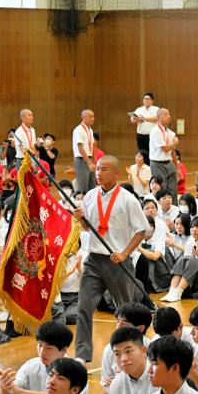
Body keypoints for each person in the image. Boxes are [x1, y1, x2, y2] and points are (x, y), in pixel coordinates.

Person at [71, 155, 149, 365]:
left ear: (116, 173)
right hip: (94, 260)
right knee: (84, 307)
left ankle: (132, 350)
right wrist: (81, 220)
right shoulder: (89, 196)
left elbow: (142, 231)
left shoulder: (128, 199)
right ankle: (82, 353)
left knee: (126, 310)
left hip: (118, 261)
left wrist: (125, 253)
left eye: (104, 169)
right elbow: (89, 228)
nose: (98, 173)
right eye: (97, 169)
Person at [0, 321, 87, 394]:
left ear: (63, 350)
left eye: (48, 348)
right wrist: (3, 388)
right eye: (40, 345)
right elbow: (12, 391)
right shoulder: (30, 366)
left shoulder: (76, 371)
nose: (42, 352)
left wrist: (19, 391)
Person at [160, 216, 198, 302]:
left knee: (193, 261)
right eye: (192, 227)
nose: (194, 229)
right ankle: (172, 291)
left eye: (197, 227)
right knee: (182, 259)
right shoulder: (190, 243)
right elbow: (186, 264)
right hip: (193, 278)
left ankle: (178, 293)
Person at [100, 302, 153, 393]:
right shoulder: (110, 349)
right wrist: (114, 386)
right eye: (117, 322)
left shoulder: (153, 349)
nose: (118, 327)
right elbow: (106, 389)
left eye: (123, 323)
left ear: (140, 328)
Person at [108, 327, 157, 394]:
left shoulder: (160, 379)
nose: (123, 359)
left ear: (143, 350)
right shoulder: (116, 384)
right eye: (117, 354)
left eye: (128, 351)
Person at [149, 108, 179, 202]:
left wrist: (177, 168)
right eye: (165, 114)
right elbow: (165, 148)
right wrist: (174, 143)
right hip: (157, 163)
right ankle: (161, 211)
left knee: (173, 190)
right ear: (158, 117)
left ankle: (174, 211)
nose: (168, 116)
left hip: (169, 163)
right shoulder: (155, 131)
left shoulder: (170, 133)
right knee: (162, 190)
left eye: (169, 114)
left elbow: (172, 151)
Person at [72, 109, 96, 193]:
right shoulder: (78, 130)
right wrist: (90, 163)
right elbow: (80, 147)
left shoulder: (90, 129)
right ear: (83, 117)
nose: (93, 118)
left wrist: (94, 161)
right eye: (90, 116)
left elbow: (93, 146)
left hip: (89, 159)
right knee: (83, 187)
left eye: (93, 116)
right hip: (81, 160)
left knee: (92, 186)